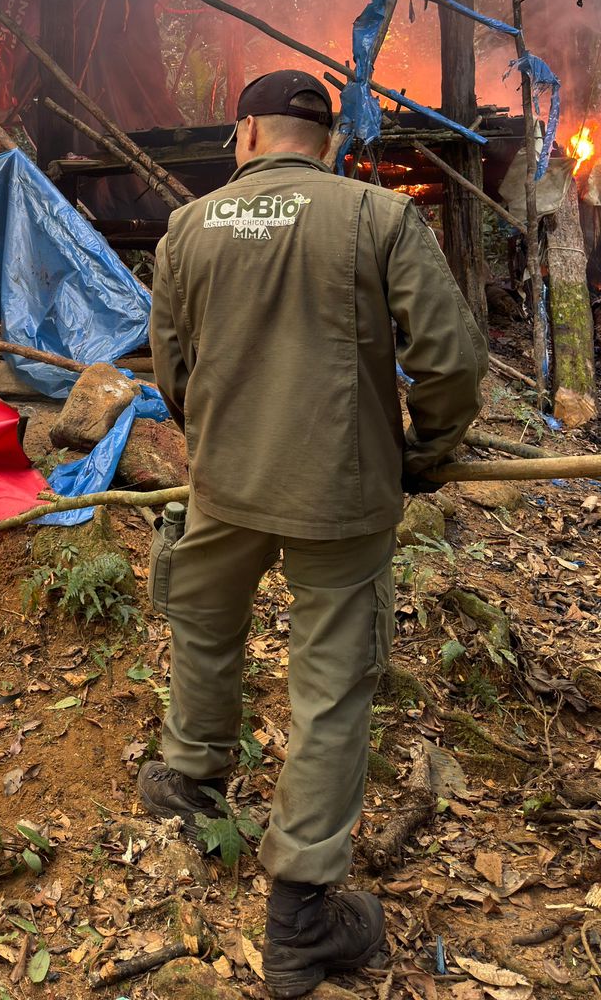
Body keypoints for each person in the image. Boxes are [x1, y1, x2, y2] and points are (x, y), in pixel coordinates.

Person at [139, 68, 487, 1000]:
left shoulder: (188, 227)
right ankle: (299, 917)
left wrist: (213, 436)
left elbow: (170, 365)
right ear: (325, 141)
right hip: (340, 491)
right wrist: (429, 450)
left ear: (246, 133)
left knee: (205, 624)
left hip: (223, 483)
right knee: (330, 686)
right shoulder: (376, 218)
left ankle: (189, 775)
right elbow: (450, 360)